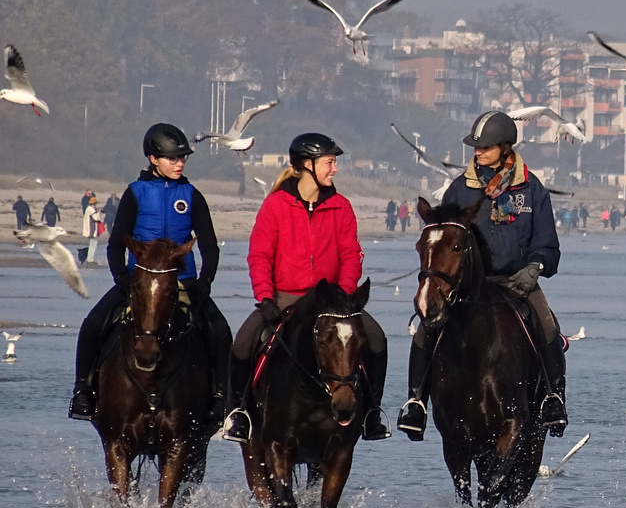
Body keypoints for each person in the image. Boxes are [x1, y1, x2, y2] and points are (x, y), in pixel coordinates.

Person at [396, 110, 566, 440]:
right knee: (426, 328)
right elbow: (442, 238)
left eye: (484, 147)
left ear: (505, 147)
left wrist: (535, 268)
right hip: (465, 286)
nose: (477, 152)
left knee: (546, 323)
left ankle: (553, 397)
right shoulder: (459, 190)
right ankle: (416, 402)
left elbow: (547, 241)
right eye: (476, 147)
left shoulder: (531, 189)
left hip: (517, 282)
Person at [221, 132, 390, 443]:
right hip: (286, 297)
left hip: (332, 301)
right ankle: (239, 414)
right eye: (330, 162)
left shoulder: (341, 206)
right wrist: (266, 297)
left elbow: (351, 254)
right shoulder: (275, 206)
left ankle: (372, 413)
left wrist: (342, 294)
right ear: (307, 165)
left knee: (377, 340)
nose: (334, 169)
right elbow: (260, 255)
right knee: (243, 343)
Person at [68, 124, 232, 424]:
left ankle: (220, 399)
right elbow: (116, 244)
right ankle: (83, 391)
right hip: (139, 282)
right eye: (173, 158)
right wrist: (122, 279)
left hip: (182, 283)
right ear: (153, 159)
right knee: (92, 324)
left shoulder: (192, 195)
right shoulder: (135, 193)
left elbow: (209, 246)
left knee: (221, 331)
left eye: (182, 158)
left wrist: (205, 282)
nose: (180, 163)